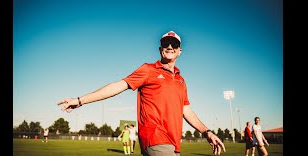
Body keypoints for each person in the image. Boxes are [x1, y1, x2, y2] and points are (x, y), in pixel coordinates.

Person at [57, 31, 226, 155]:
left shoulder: (181, 81)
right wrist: (80, 100)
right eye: (166, 43)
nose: (169, 46)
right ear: (160, 49)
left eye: (174, 44)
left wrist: (206, 132)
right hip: (155, 137)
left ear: (180, 51)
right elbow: (118, 85)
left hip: (174, 142)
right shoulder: (148, 70)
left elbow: (186, 110)